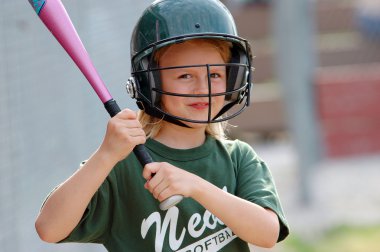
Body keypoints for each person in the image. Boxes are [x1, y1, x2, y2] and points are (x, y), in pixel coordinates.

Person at [35, 0, 289, 251]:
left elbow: (267, 233)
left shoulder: (237, 158)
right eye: (185, 75)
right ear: (150, 84)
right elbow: (49, 228)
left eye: (214, 75)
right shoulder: (122, 164)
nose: (203, 89)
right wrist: (105, 155)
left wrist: (196, 186)